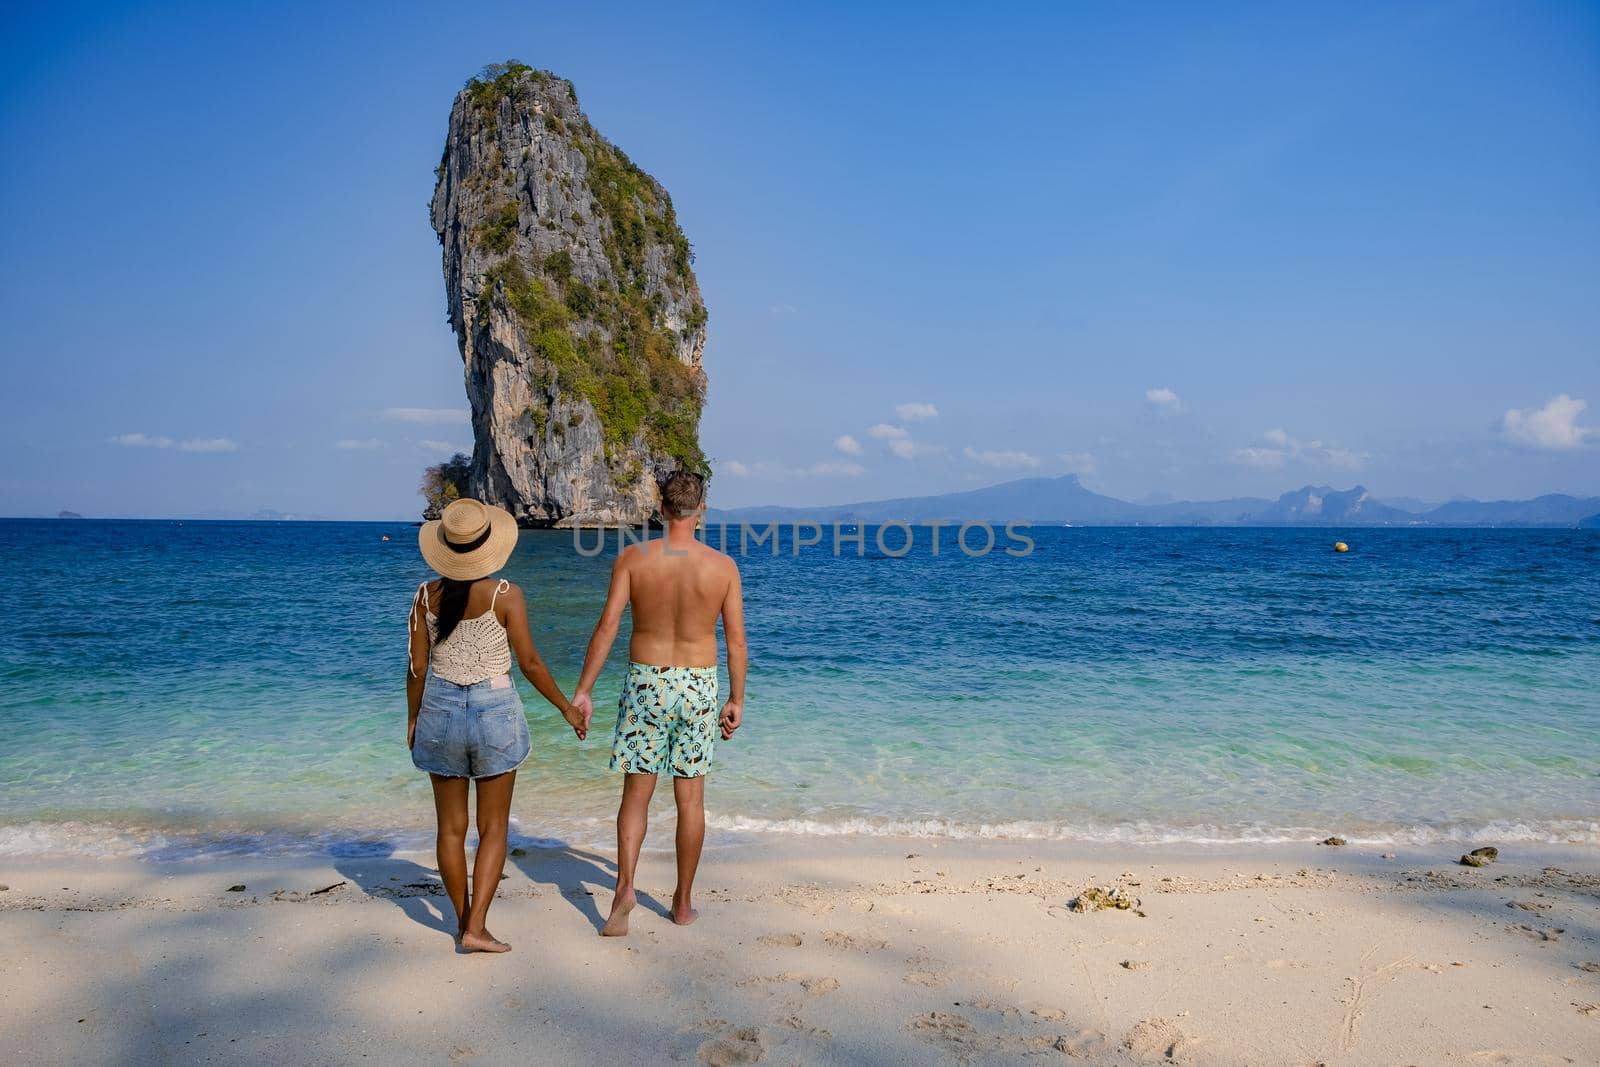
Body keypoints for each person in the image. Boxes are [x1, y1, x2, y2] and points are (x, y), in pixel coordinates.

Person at [407, 497, 589, 953]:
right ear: (488, 546)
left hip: (439, 712)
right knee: (494, 828)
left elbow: (416, 668)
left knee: (449, 829)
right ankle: (477, 927)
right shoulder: (506, 595)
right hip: (495, 713)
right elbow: (528, 662)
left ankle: (463, 921)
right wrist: (567, 709)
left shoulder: (425, 596)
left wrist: (413, 719)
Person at [571, 471, 747, 936]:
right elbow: (736, 642)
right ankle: (683, 903)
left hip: (647, 681)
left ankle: (625, 887)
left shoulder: (633, 558)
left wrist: (584, 690)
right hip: (699, 685)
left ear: (661, 507)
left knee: (636, 793)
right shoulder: (723, 567)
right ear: (701, 509)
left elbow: (607, 626)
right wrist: (736, 698)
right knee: (690, 798)